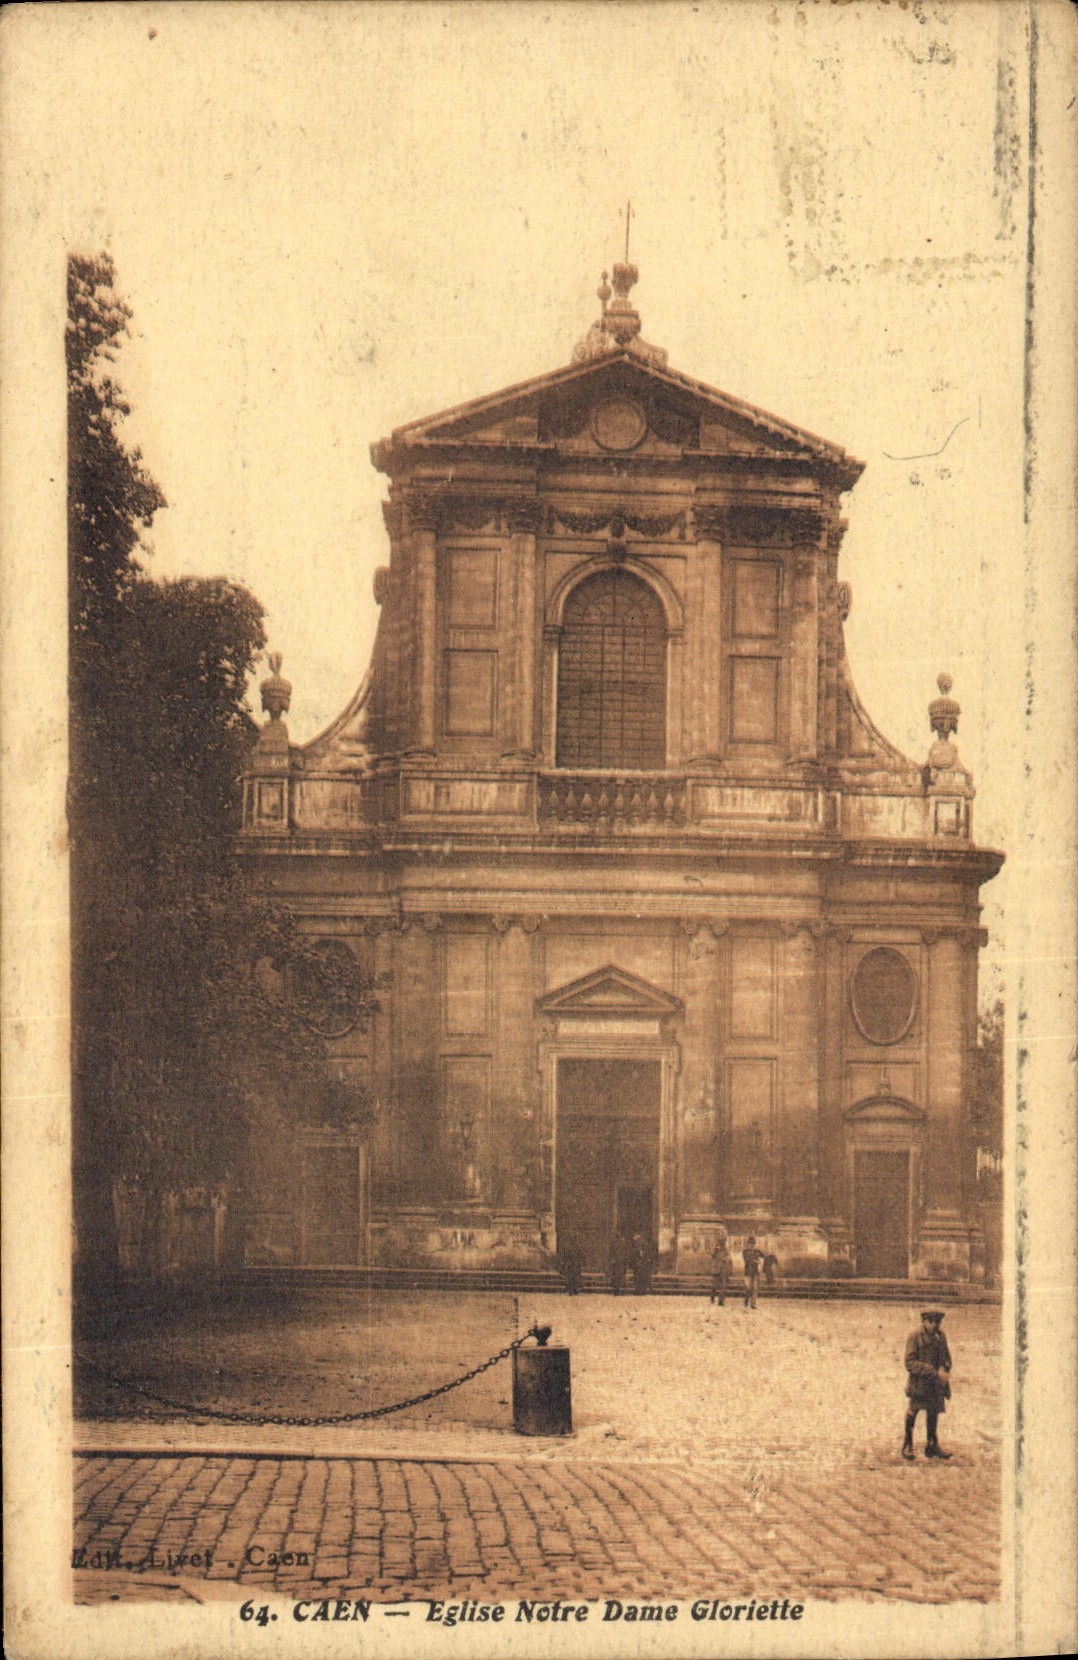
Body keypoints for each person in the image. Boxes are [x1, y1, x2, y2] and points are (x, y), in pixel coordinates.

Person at [902, 1309, 953, 1459]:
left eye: (937, 1322)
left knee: (933, 1412)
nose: (934, 1325)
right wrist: (930, 1370)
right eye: (931, 1322)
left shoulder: (940, 1336)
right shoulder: (915, 1336)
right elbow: (909, 1363)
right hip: (920, 1383)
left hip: (936, 1384)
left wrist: (945, 1367)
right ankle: (907, 1445)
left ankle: (932, 1445)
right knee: (913, 1412)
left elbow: (947, 1357)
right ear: (923, 1321)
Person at [742, 1236, 765, 1309]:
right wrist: (756, 1261)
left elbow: (764, 1256)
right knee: (748, 1288)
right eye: (750, 1244)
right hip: (748, 1272)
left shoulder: (757, 1251)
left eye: (753, 1244)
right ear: (748, 1244)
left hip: (755, 1272)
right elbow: (747, 1260)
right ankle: (746, 1300)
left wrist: (761, 1262)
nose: (752, 1245)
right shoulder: (745, 1252)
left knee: (755, 1288)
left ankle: (753, 1304)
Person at [708, 1234, 731, 1305]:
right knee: (714, 1286)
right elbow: (712, 1254)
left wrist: (729, 1270)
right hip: (716, 1269)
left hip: (724, 1270)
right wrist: (716, 1249)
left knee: (723, 1286)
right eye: (722, 1241)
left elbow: (728, 1258)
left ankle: (721, 1301)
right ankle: (712, 1295)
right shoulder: (716, 1247)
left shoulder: (726, 1249)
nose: (723, 1243)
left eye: (724, 1241)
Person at [608, 1231, 629, 1295]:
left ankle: (616, 1290)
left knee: (615, 1276)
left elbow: (610, 1253)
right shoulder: (623, 1244)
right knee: (621, 1276)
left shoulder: (613, 1244)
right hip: (621, 1262)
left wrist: (612, 1259)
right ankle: (622, 1290)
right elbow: (626, 1253)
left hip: (616, 1262)